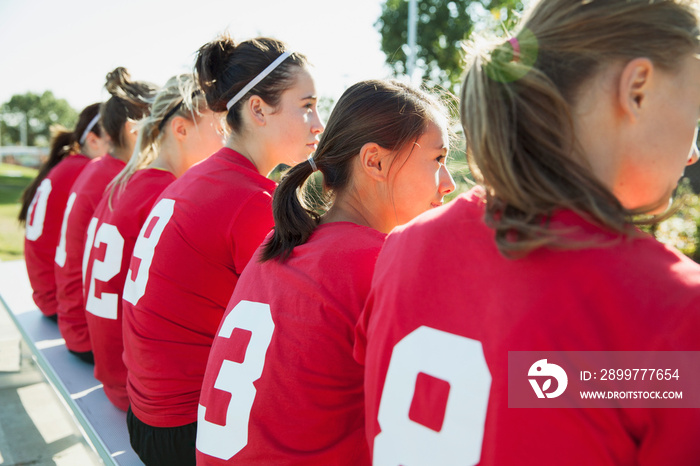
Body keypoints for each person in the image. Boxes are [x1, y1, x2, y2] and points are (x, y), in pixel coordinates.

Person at [357, 0, 700, 465]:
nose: (693, 152)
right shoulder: (671, 305)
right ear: (638, 88)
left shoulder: (405, 246)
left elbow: (534, 382)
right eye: (695, 111)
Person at [195, 79, 455, 465]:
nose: (449, 184)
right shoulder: (380, 262)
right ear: (375, 162)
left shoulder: (276, 242)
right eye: (437, 160)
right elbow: (453, 404)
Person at [121, 35, 324, 466]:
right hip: (186, 430)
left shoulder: (200, 178)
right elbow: (302, 333)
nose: (318, 123)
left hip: (149, 416)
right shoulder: (249, 199)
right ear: (257, 110)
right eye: (306, 105)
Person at [82, 73, 224, 412]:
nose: (227, 136)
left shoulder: (129, 180)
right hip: (137, 387)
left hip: (114, 370)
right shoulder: (167, 194)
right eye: (218, 127)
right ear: (180, 130)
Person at [54, 67, 158, 363]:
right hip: (90, 335)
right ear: (133, 128)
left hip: (78, 320)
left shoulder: (101, 169)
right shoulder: (125, 181)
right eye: (161, 120)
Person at [20, 103, 109, 320]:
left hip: (47, 294)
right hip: (60, 302)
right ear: (93, 140)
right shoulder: (87, 170)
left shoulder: (70, 164)